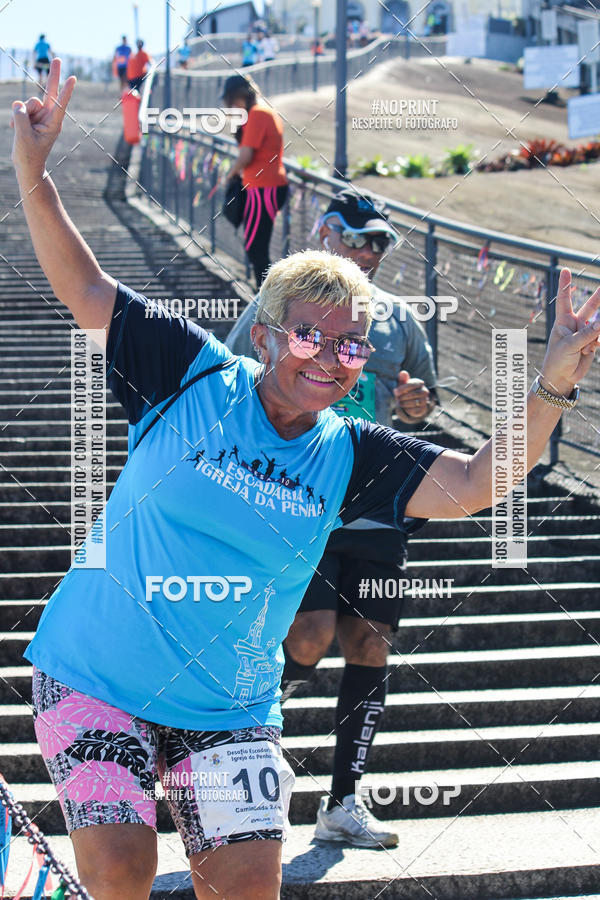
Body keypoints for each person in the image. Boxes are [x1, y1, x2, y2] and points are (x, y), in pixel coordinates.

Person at [11, 60, 599, 900]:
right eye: (311, 336)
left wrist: (552, 383)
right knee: (121, 870)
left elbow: (476, 481)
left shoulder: (349, 449)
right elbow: (85, 284)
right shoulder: (189, 373)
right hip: (96, 675)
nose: (332, 358)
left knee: (249, 885)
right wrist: (34, 171)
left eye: (351, 343)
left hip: (228, 709)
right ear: (265, 335)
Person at [226, 188, 438, 848]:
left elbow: (420, 413)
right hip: (299, 490)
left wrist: (413, 405)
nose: (370, 251)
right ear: (324, 232)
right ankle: (235, 734)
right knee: (311, 633)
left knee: (371, 640)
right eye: (358, 238)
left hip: (375, 499)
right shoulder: (276, 307)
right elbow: (231, 383)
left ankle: (343, 803)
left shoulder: (399, 319)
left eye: (380, 242)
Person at [222, 73, 288, 289]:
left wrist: (231, 174)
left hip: (265, 188)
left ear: (243, 96)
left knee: (256, 247)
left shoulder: (258, 114)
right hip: (260, 187)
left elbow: (246, 155)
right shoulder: (259, 113)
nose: (232, 105)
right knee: (255, 246)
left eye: (233, 100)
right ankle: (265, 296)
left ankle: (268, 299)